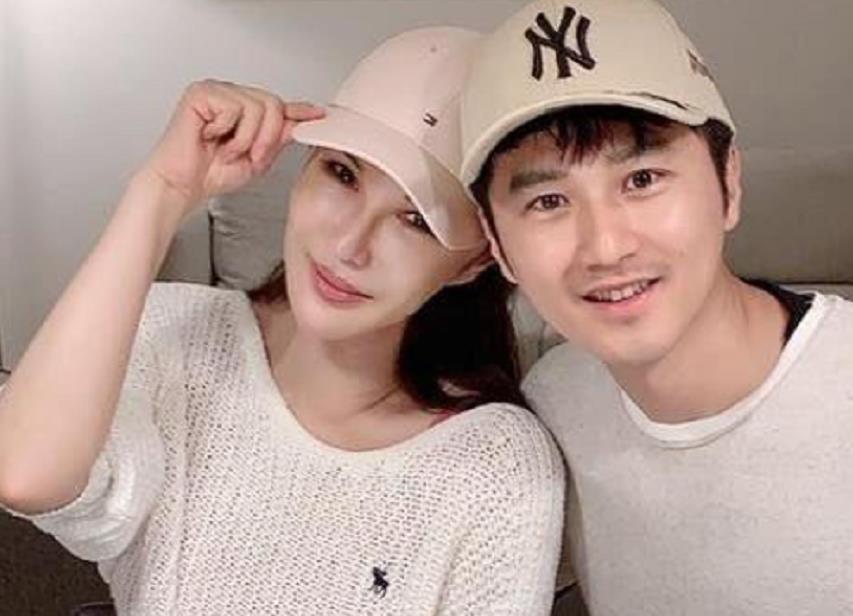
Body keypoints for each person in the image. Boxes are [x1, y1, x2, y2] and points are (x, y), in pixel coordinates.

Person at [0, 27, 565, 614]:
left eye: (415, 220)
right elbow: (24, 474)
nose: (349, 245)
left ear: (474, 262)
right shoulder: (176, 334)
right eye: (342, 174)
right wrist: (161, 190)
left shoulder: (497, 466)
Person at [458, 0, 853, 614]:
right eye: (548, 201)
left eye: (642, 179)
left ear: (729, 182)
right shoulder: (553, 403)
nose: (606, 247)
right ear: (497, 245)